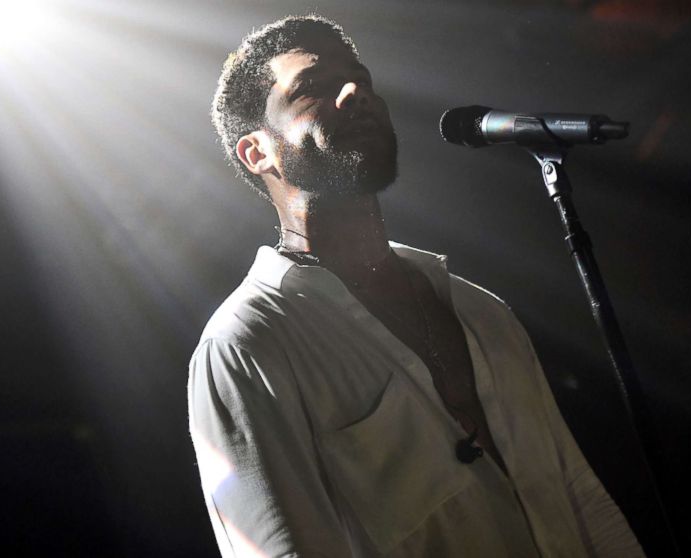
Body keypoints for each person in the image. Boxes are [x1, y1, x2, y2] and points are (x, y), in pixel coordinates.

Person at [188, 14, 644, 558]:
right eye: (312, 88)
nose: (356, 92)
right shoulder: (246, 346)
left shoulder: (481, 311)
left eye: (360, 78)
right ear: (256, 152)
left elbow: (580, 498)